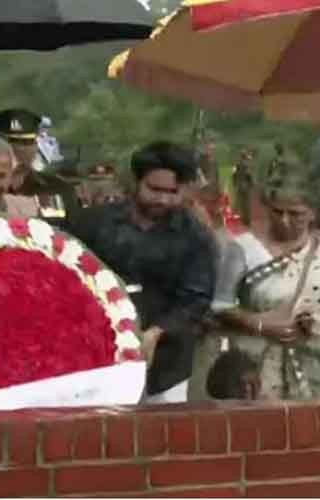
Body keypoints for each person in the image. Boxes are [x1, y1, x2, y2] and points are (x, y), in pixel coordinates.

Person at [191, 168, 320, 401]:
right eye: (277, 212)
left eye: (296, 214)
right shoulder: (244, 248)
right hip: (260, 371)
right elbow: (220, 305)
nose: (284, 221)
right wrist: (262, 325)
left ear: (312, 213)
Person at [67, 141, 216, 404]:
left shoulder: (195, 237)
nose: (162, 199)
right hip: (97, 361)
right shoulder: (92, 223)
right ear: (136, 182)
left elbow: (196, 300)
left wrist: (156, 333)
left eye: (172, 192)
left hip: (165, 367)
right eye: (154, 189)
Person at [0, 108, 79, 220]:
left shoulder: (57, 187)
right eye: (15, 141)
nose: (26, 149)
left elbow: (73, 231)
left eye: (30, 142)